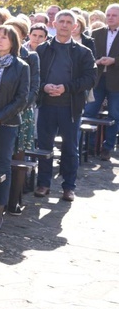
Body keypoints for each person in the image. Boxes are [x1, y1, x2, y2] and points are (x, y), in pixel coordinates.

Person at [34, 10, 96, 201]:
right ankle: (43, 183)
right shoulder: (42, 49)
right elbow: (34, 77)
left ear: (75, 26)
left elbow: (90, 78)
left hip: (70, 107)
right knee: (45, 147)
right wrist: (45, 86)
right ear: (54, 23)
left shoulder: (84, 52)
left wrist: (66, 88)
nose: (65, 25)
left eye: (69, 22)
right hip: (46, 105)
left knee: (70, 148)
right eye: (61, 21)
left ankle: (69, 187)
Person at [0, 24, 29, 232]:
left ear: (13, 42)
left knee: (2, 167)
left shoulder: (21, 67)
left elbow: (21, 100)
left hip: (6, 124)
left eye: (4, 37)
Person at [4, 18, 40, 215]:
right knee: (1, 158)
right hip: (0, 115)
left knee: (18, 159)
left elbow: (33, 89)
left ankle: (14, 201)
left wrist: (16, 108)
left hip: (22, 114)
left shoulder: (30, 57)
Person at [83, 4, 119, 160]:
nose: (110, 18)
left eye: (114, 15)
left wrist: (114, 61)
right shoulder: (96, 33)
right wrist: (96, 61)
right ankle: (89, 146)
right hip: (97, 79)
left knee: (114, 115)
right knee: (90, 112)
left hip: (116, 81)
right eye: (108, 15)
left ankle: (107, 147)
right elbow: (88, 54)